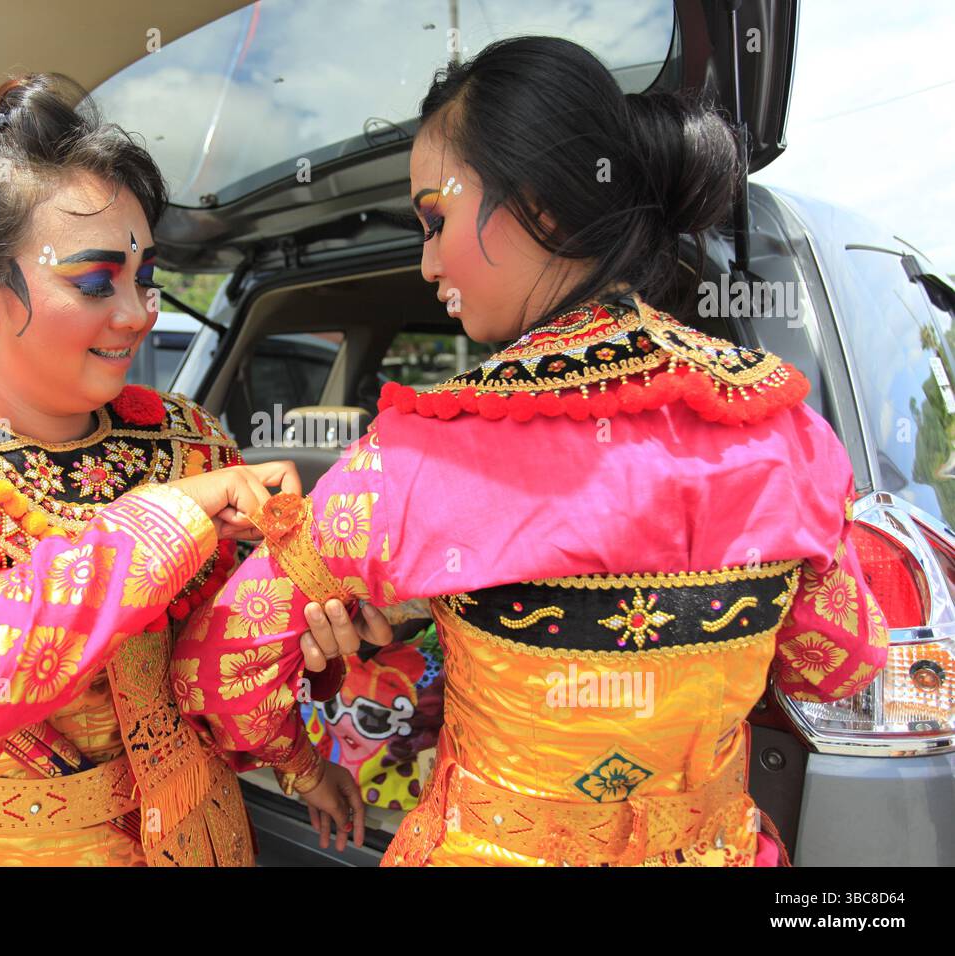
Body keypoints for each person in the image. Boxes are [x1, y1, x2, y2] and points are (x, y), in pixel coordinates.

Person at [169, 36, 890, 866]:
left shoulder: (419, 456)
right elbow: (835, 668)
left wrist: (306, 763)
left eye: (435, 218)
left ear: (540, 202)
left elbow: (218, 676)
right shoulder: (785, 431)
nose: (429, 259)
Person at [0, 73, 375, 866]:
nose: (137, 312)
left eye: (145, 277)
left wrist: (306, 639)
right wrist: (171, 515)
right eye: (94, 282)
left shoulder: (188, 441)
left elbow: (216, 671)